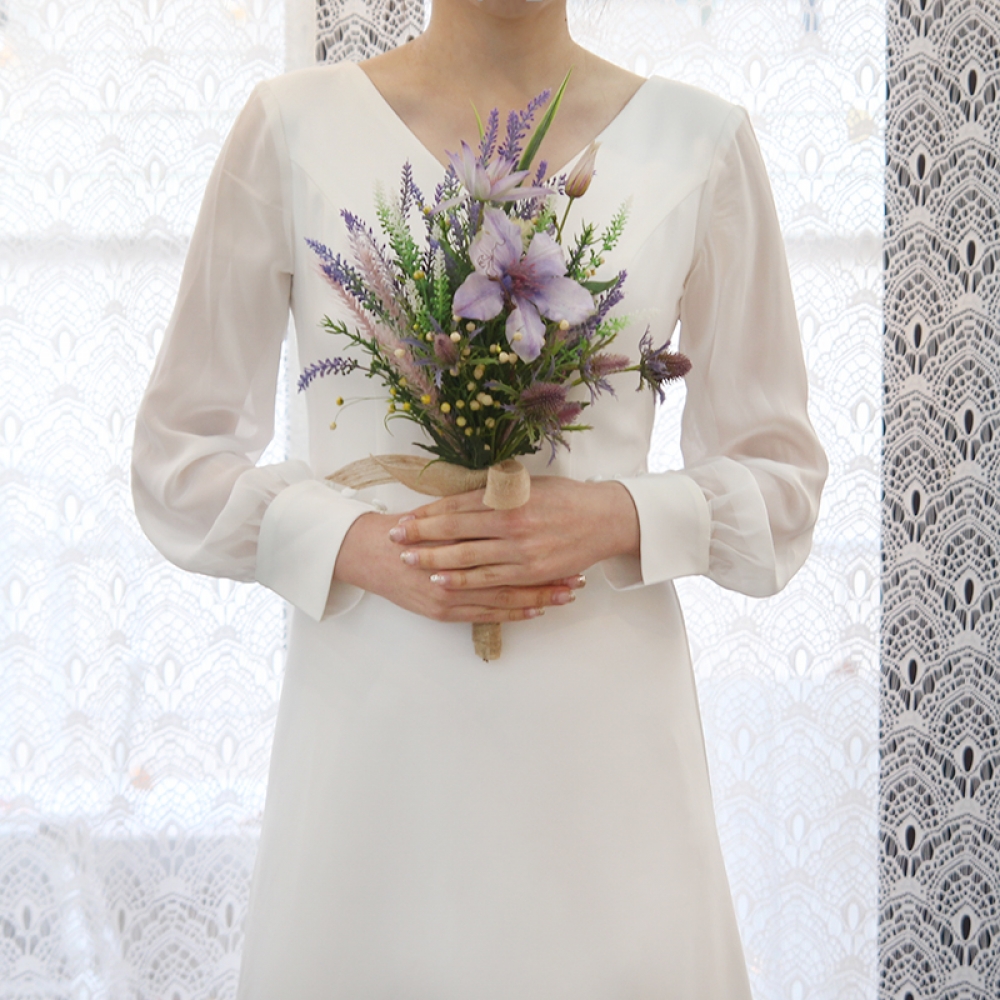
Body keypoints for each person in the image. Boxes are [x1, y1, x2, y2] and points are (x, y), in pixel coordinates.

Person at [131, 0, 828, 996]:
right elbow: (177, 459)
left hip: (604, 761)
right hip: (373, 751)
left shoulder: (699, 143)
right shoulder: (291, 127)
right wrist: (351, 542)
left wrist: (617, 517)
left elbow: (781, 480)